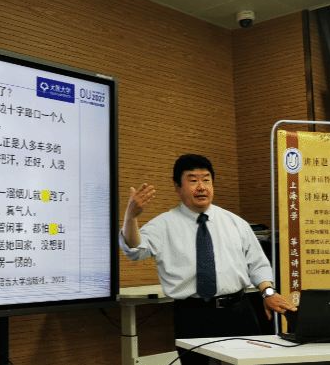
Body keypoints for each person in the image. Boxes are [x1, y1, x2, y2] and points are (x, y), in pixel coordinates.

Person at [120, 154, 297, 365]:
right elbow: (135, 250)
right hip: (192, 315)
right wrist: (131, 217)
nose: (201, 187)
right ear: (177, 187)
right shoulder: (163, 224)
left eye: (206, 179)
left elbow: (257, 263)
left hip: (238, 310)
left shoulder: (235, 222)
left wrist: (268, 292)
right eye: (193, 180)